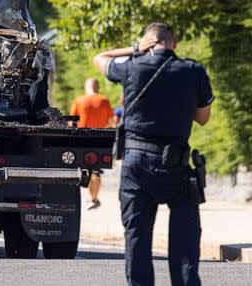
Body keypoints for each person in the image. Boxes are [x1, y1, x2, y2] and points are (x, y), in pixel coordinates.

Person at [92, 22, 212, 286]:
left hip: (136, 165)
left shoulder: (131, 66)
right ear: (175, 43)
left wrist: (134, 49)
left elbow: (98, 58)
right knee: (185, 243)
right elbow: (203, 118)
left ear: (147, 42)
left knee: (137, 239)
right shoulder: (193, 71)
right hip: (176, 165)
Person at [70, 77, 113, 209]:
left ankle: (92, 198)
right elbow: (111, 121)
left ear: (86, 87)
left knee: (87, 170)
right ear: (97, 87)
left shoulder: (79, 100)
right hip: (100, 139)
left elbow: (71, 123)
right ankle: (93, 198)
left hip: (82, 139)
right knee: (95, 171)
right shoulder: (104, 100)